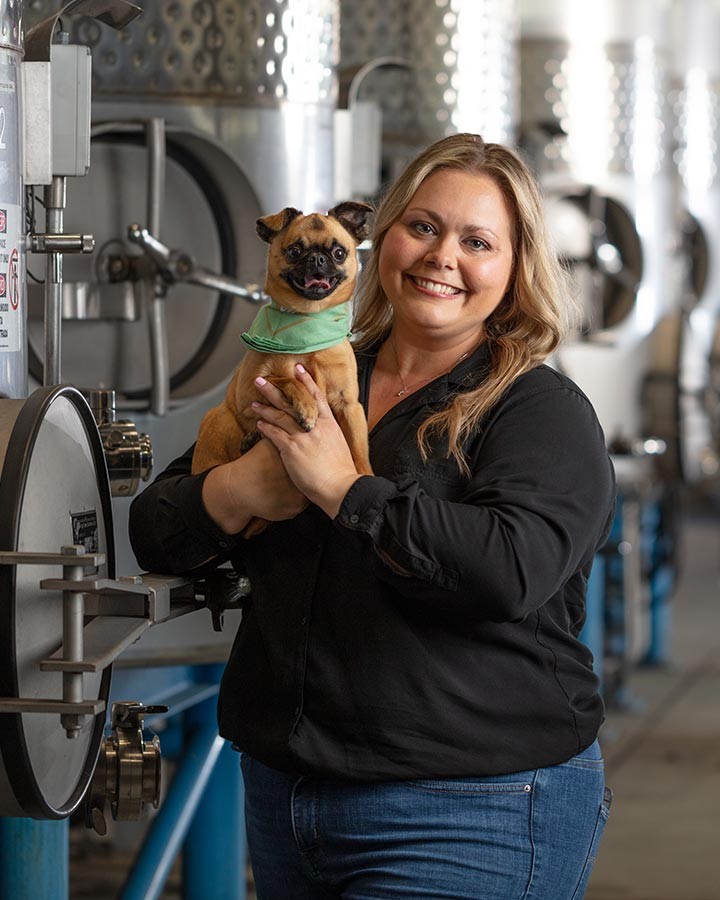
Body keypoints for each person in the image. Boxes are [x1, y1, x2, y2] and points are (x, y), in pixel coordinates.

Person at [129, 133, 615, 900]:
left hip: (471, 806)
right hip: (288, 798)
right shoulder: (306, 372)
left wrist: (344, 490)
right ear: (382, 236)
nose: (440, 256)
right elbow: (157, 528)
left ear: (515, 268)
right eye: (422, 226)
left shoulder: (539, 412)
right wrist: (237, 492)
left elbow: (504, 573)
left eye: (478, 241)